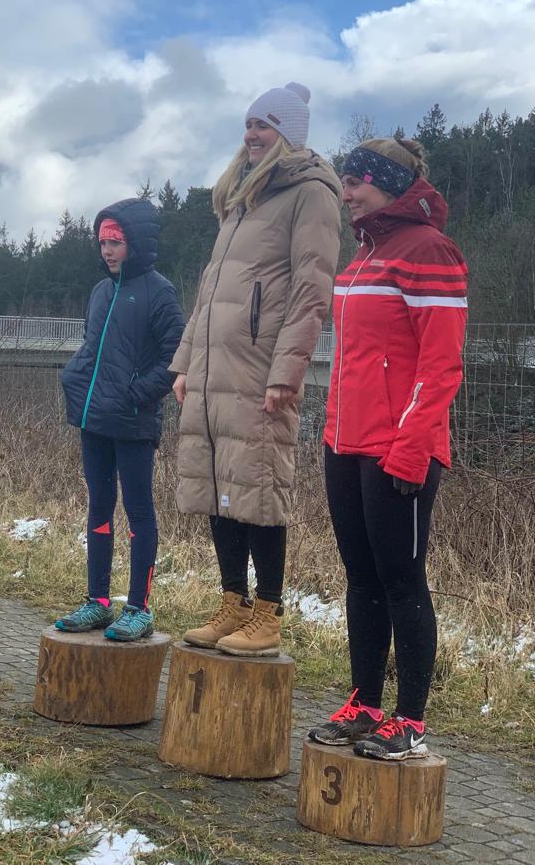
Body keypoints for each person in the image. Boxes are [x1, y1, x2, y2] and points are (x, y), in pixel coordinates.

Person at [308, 137, 467, 760]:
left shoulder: (429, 250)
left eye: (356, 182)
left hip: (399, 448)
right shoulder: (364, 254)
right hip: (344, 442)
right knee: (362, 578)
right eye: (344, 182)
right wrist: (332, 430)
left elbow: (441, 363)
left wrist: (412, 445)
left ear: (389, 184)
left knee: (403, 581)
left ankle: (411, 721)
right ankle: (366, 705)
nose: (346, 193)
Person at [171, 83, 342, 656]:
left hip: (259, 366)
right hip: (214, 367)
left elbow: (312, 289)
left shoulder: (310, 193)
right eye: (248, 124)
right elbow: (209, 292)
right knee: (222, 484)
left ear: (287, 134)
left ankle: (268, 615)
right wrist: (185, 362)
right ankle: (233, 604)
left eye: (263, 125)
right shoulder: (242, 197)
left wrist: (285, 371)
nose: (251, 134)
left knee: (261, 485)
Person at [57, 198, 185, 641]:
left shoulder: (159, 292)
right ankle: (97, 602)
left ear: (135, 243)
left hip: (133, 423)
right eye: (102, 243)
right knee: (98, 506)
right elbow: (91, 348)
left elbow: (175, 357)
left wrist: (136, 395)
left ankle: (139, 608)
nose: (107, 251)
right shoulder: (100, 292)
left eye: (115, 242)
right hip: (94, 419)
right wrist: (74, 379)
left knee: (139, 511)